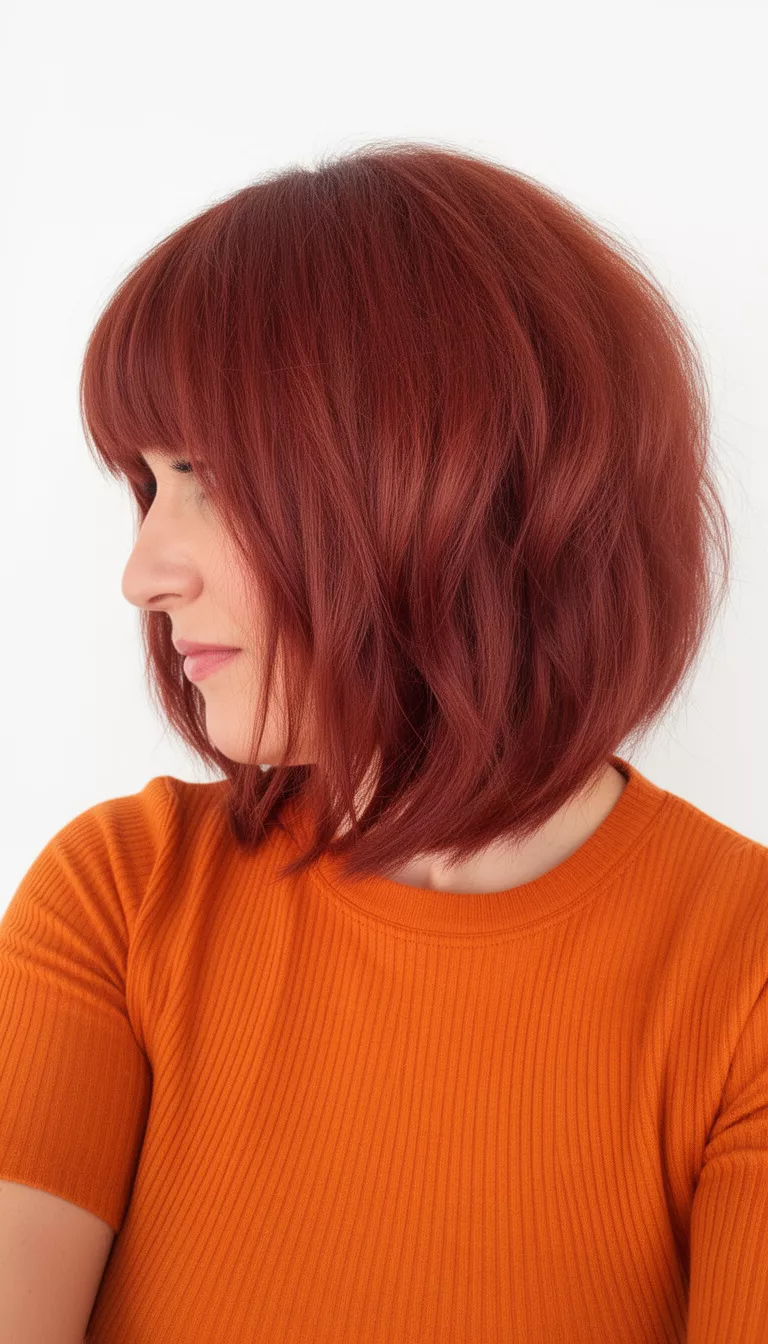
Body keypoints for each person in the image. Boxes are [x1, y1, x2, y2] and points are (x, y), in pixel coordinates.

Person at [1, 142, 765, 1343]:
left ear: (453, 479)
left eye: (208, 475)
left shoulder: (742, 972)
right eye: (146, 487)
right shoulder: (122, 900)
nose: (143, 574)